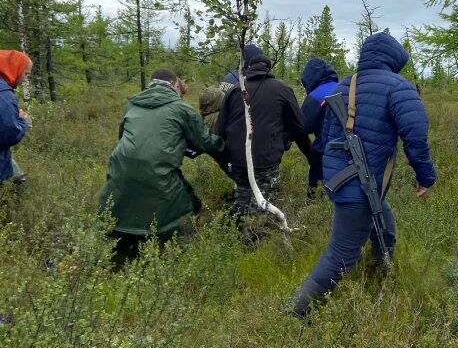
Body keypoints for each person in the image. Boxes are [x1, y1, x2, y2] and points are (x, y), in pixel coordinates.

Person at [291, 33, 437, 317]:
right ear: (393, 60)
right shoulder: (398, 87)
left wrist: (336, 176)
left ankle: (381, 274)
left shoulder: (347, 84)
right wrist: (426, 177)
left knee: (385, 221)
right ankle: (293, 315)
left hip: (344, 179)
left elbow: (326, 140)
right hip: (358, 184)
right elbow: (416, 137)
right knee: (341, 255)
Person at [99, 69, 224, 259]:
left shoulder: (131, 105)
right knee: (186, 209)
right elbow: (205, 141)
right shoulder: (182, 109)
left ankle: (127, 240)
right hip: (158, 174)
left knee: (124, 207)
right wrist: (226, 145)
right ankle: (174, 248)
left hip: (119, 170)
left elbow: (122, 139)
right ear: (175, 85)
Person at [216, 54, 312, 217]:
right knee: (262, 211)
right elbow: (300, 126)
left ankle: (236, 231)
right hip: (265, 160)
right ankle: (253, 238)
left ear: (247, 69)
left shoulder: (236, 89)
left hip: (237, 160)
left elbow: (220, 128)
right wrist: (283, 140)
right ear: (270, 69)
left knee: (242, 198)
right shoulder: (281, 89)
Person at [300, 58, 339, 199]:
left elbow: (303, 126)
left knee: (316, 193)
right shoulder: (345, 89)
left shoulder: (316, 95)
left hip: (324, 152)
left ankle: (313, 209)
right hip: (349, 151)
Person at [0, 51, 32, 186]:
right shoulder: (4, 94)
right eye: (26, 74)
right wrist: (23, 121)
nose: (25, 79)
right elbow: (8, 134)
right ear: (15, 68)